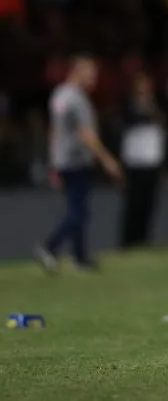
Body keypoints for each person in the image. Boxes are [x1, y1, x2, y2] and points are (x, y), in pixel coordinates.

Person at [36, 56, 123, 272]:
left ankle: (80, 257)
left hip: (63, 159)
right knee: (78, 211)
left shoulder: (59, 95)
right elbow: (86, 134)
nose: (94, 79)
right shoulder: (76, 99)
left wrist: (53, 160)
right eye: (90, 74)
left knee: (78, 207)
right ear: (77, 72)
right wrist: (107, 159)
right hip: (75, 160)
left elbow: (55, 131)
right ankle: (49, 246)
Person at [118, 73, 168, 249]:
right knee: (133, 206)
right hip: (134, 164)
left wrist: (162, 166)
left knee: (149, 205)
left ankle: (143, 241)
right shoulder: (129, 108)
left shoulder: (157, 109)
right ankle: (128, 242)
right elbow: (127, 124)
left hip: (152, 163)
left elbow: (159, 139)